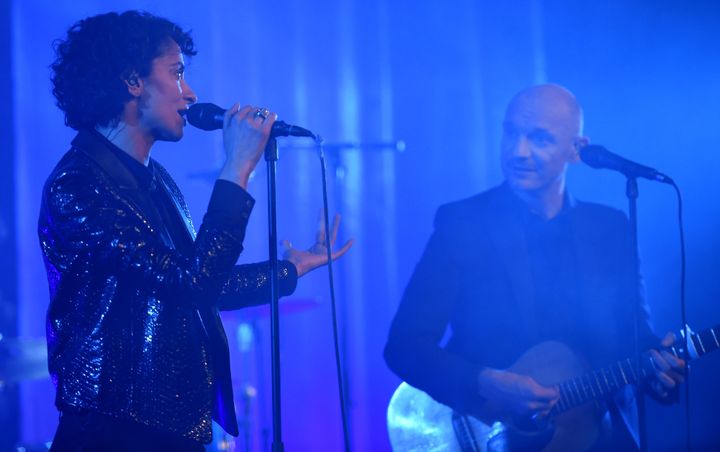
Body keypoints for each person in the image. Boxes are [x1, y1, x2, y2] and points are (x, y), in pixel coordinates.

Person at [39, 11, 351, 451]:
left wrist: (289, 270)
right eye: (177, 73)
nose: (191, 93)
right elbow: (193, 284)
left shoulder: (156, 180)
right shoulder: (80, 186)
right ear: (133, 81)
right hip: (113, 434)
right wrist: (236, 168)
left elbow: (202, 286)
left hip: (168, 431)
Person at [384, 84, 684, 450]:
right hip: (492, 435)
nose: (518, 151)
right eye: (511, 132)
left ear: (577, 149)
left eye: (539, 138)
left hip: (597, 438)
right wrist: (484, 381)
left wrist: (658, 370)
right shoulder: (462, 224)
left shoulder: (610, 228)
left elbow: (634, 337)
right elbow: (404, 346)